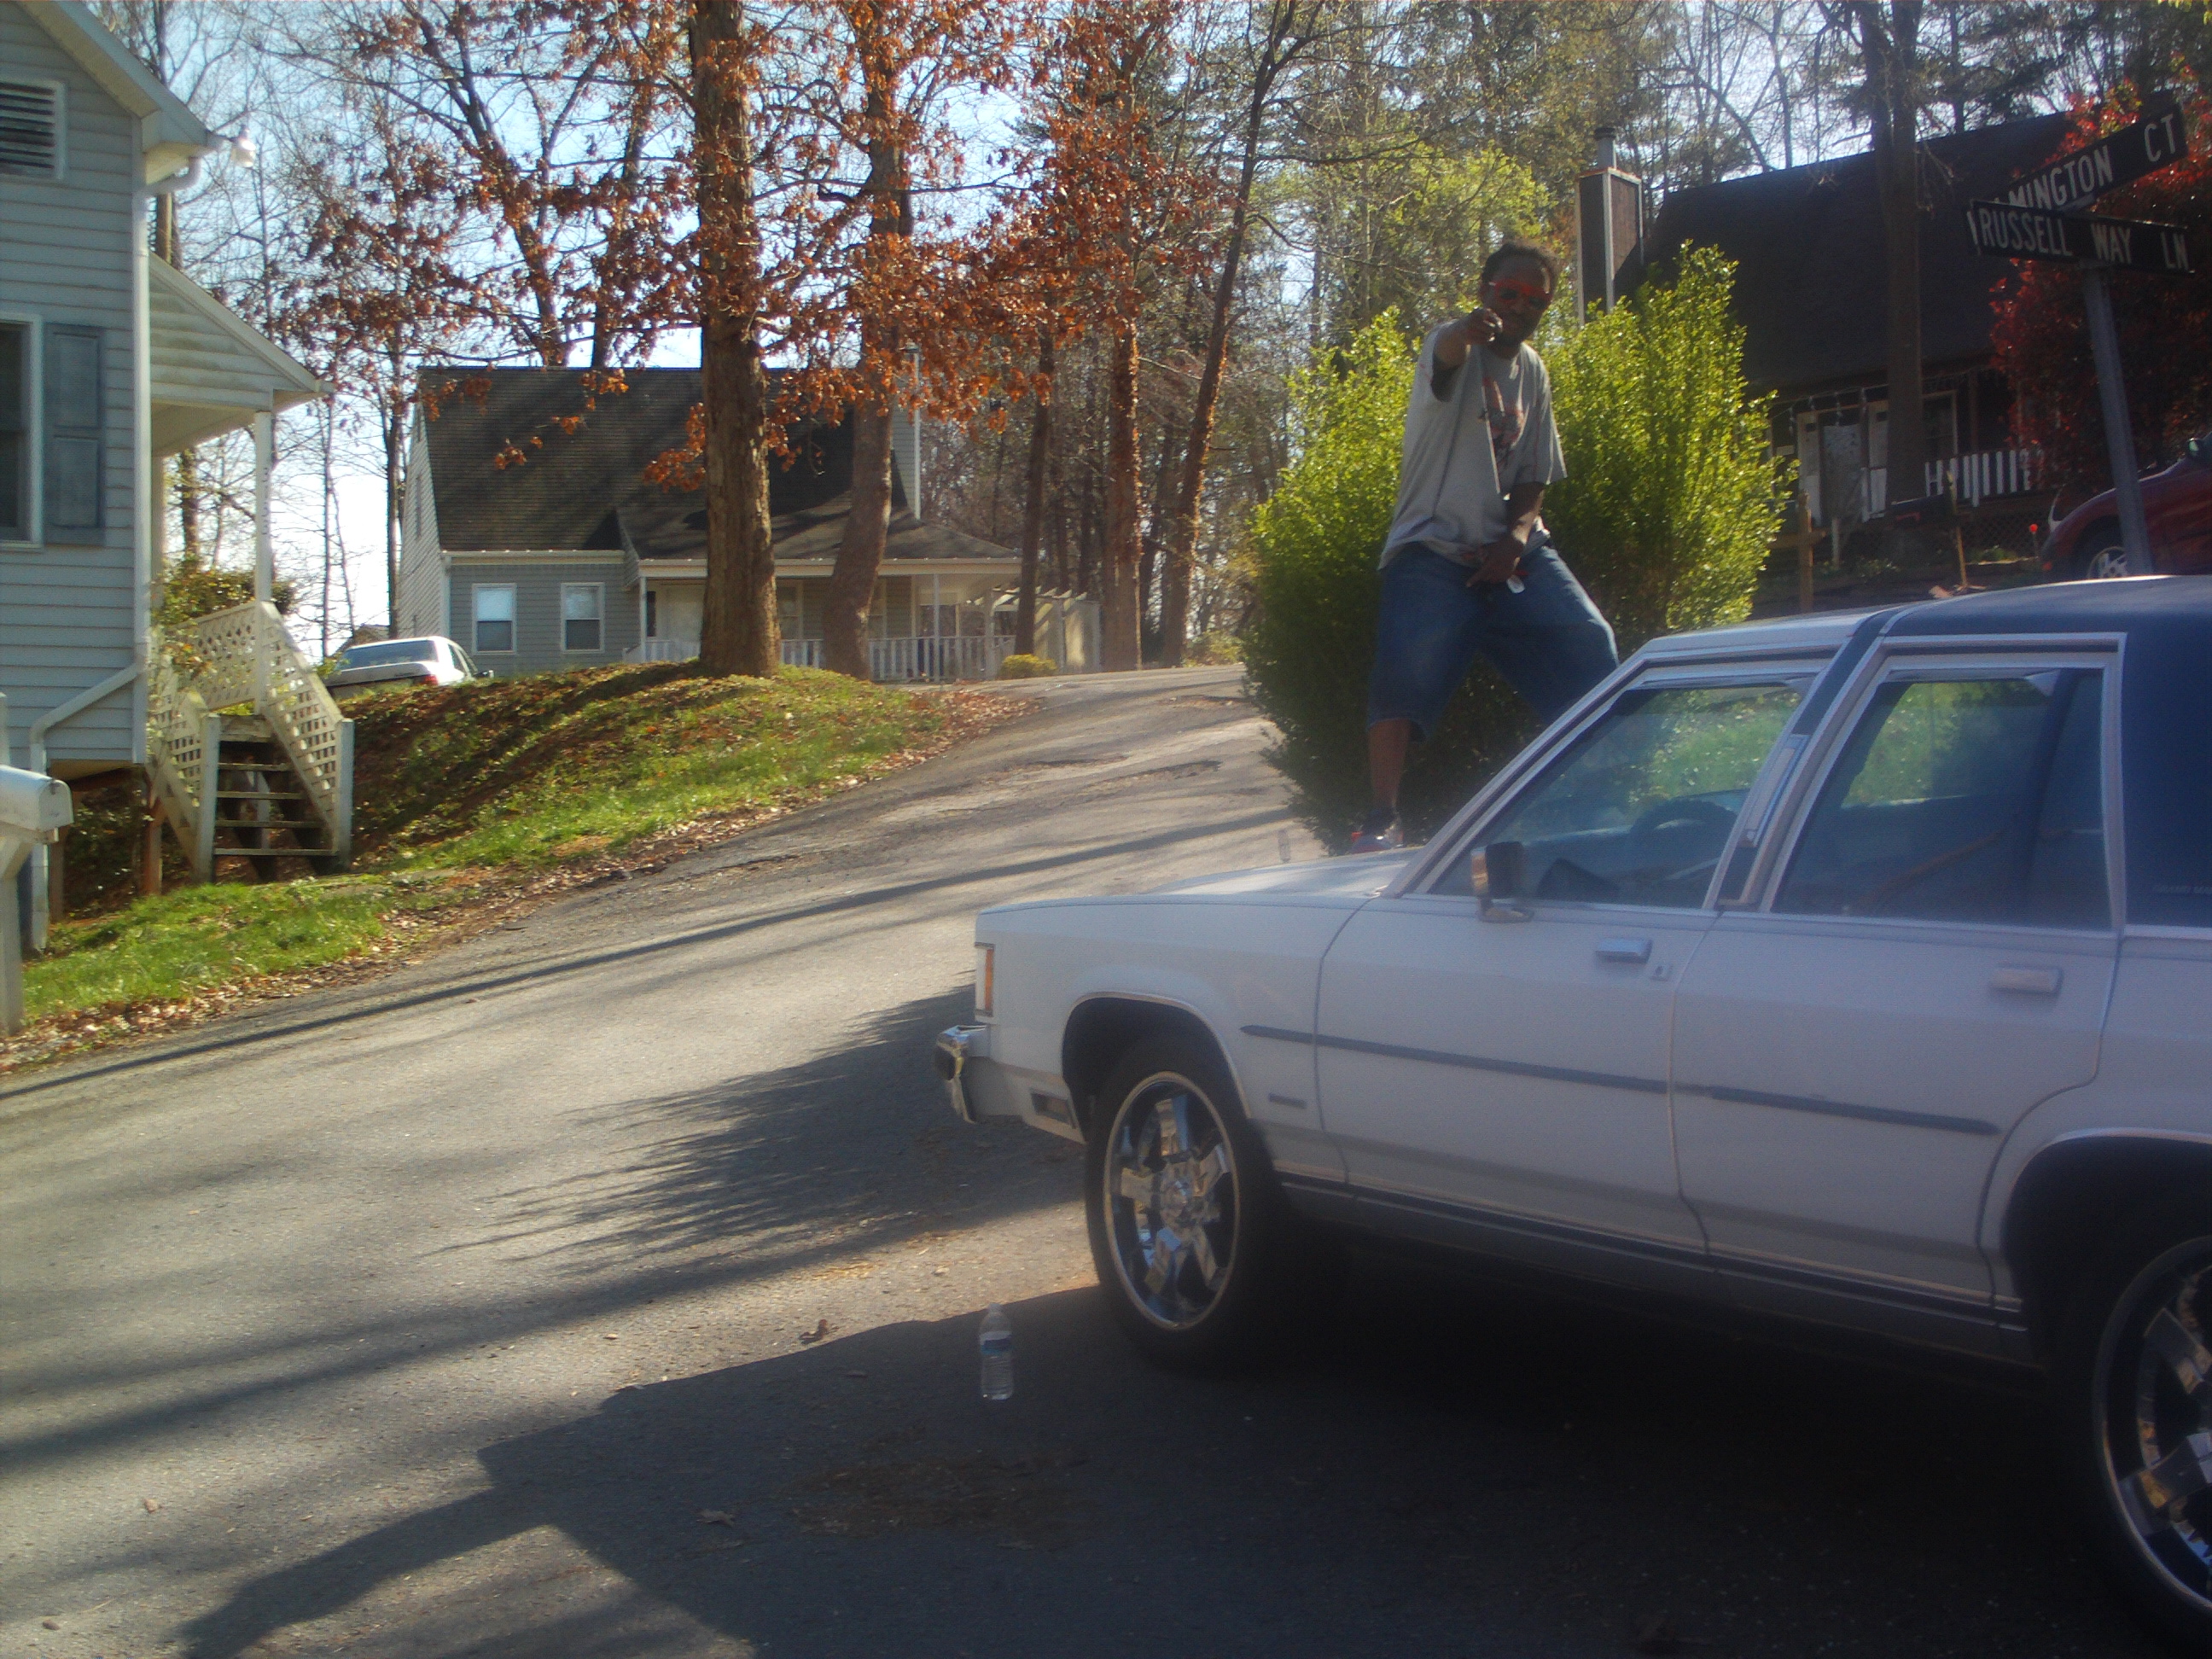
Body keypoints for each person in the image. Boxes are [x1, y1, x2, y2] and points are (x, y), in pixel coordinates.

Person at [1349, 242, 1618, 853]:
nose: (1521, 306)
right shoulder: (1453, 347)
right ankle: (1382, 816)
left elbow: (1535, 476)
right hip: (1434, 547)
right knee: (1405, 667)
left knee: (1590, 641)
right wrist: (1466, 330)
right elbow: (1448, 351)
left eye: (1536, 299)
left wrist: (1515, 541)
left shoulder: (1535, 372)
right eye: (1508, 294)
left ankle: (1598, 797)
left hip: (1509, 550)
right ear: (1484, 292)